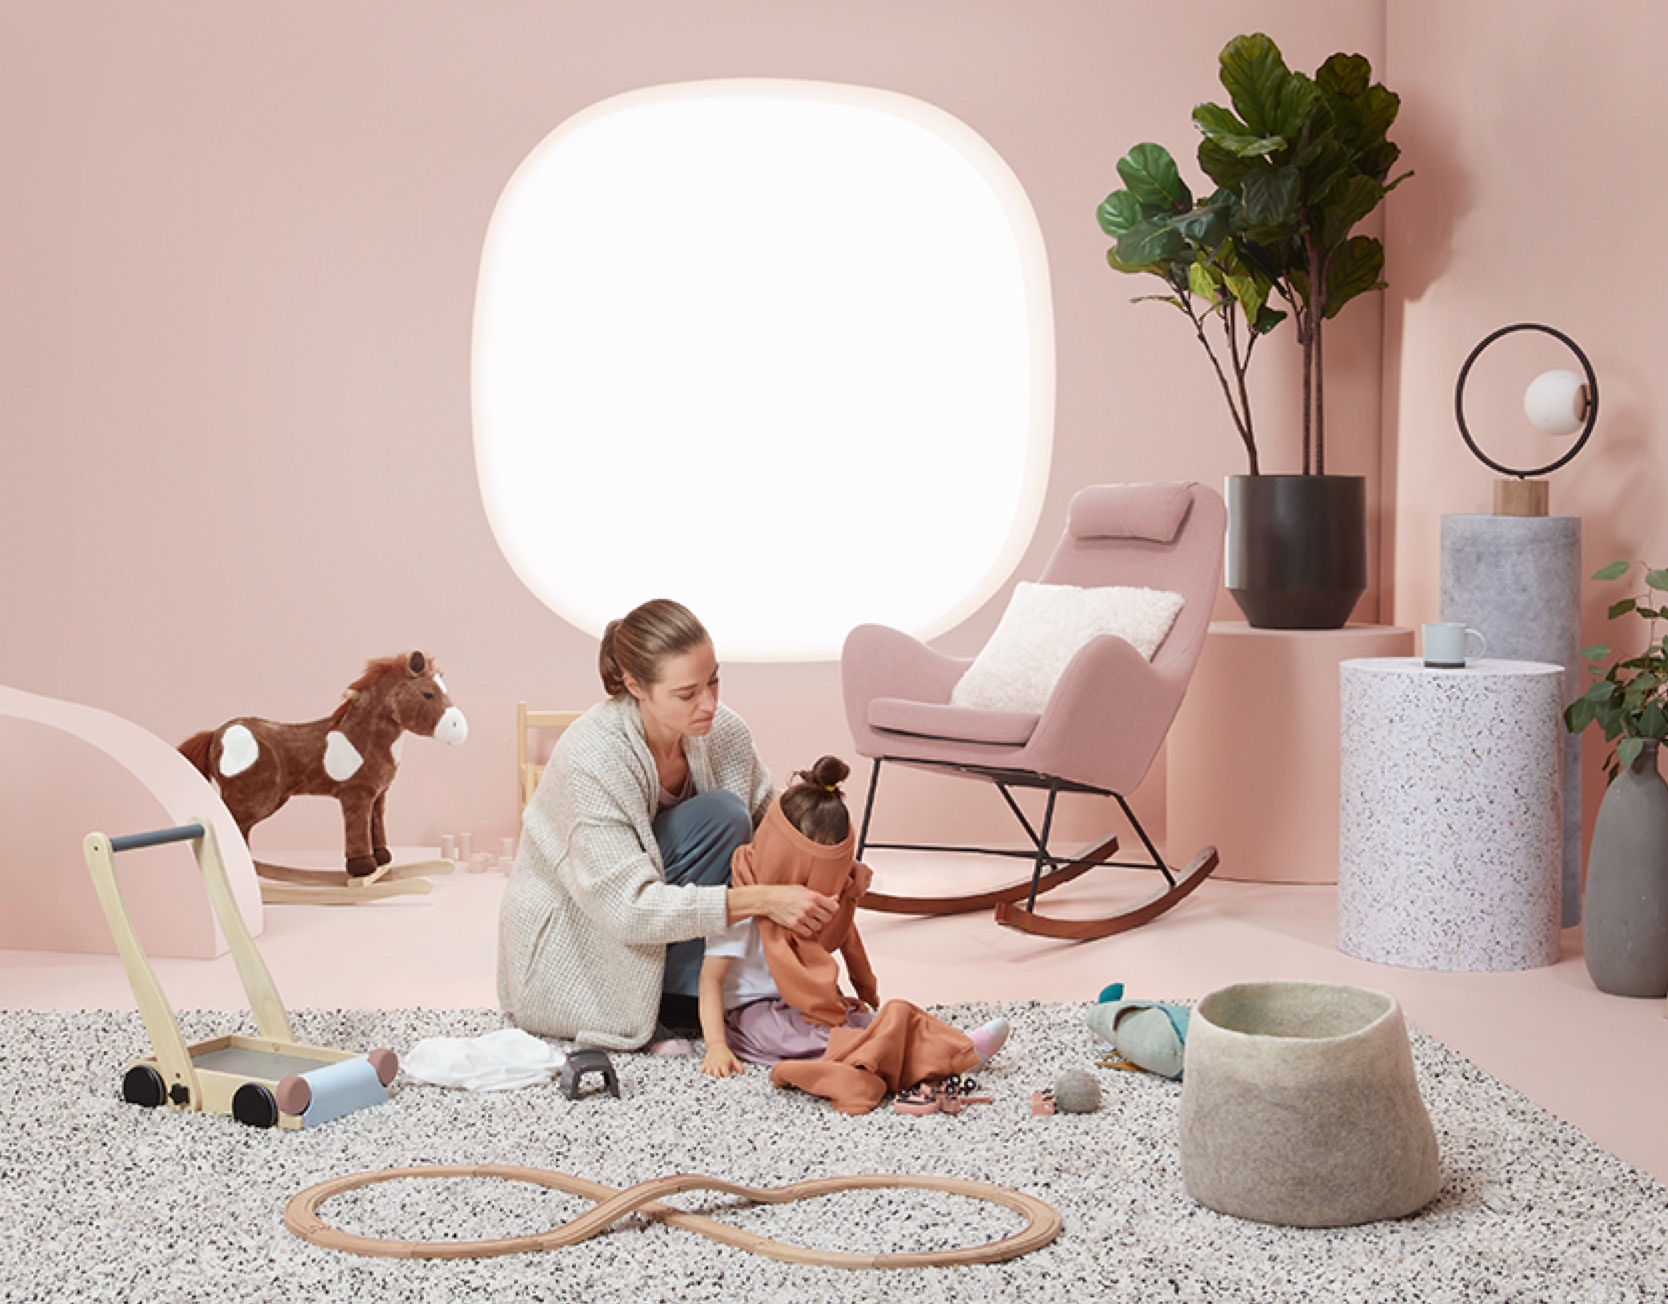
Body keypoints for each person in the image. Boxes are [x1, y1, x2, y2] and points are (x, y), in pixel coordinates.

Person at [498, 599, 837, 1052]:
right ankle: (665, 1000)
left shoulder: (723, 731)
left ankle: (681, 993)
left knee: (731, 817)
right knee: (723, 818)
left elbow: (771, 824)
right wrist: (764, 898)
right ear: (635, 686)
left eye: (714, 680)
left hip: (655, 906)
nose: (710, 704)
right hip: (578, 929)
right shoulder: (593, 756)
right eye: (687, 693)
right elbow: (627, 909)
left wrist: (830, 862)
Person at [697, 755, 1008, 1112]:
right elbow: (710, 980)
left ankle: (956, 1050)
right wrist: (716, 1045)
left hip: (811, 1004)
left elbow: (844, 934)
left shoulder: (829, 898)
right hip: (754, 1015)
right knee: (824, 1038)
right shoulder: (744, 903)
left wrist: (847, 890)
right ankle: (874, 1070)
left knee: (866, 1021)